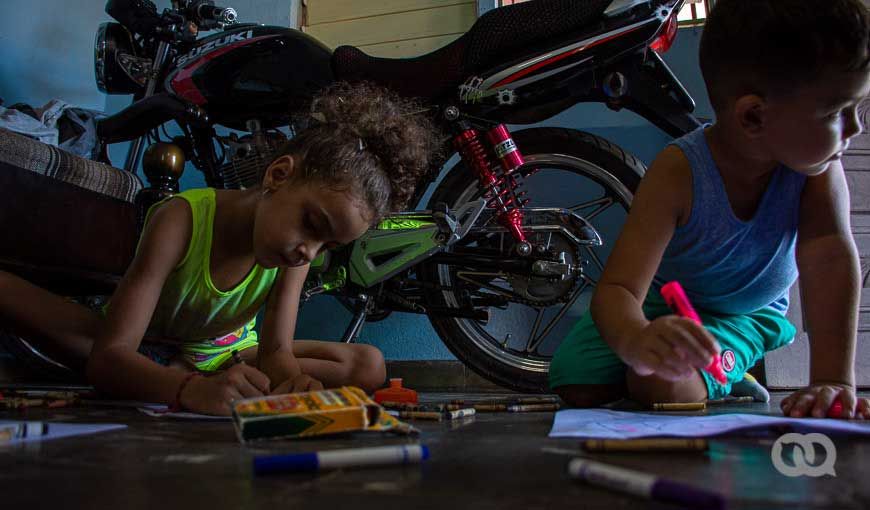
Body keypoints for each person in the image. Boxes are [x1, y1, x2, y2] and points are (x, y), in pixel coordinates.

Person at [0, 82, 442, 415]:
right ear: (278, 175)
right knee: (37, 312)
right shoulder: (180, 219)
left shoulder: (297, 252)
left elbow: (275, 353)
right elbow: (110, 357)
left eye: (329, 245)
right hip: (139, 342)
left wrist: (293, 383)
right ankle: (169, 375)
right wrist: (188, 391)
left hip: (227, 353)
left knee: (369, 364)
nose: (311, 252)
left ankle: (185, 375)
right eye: (313, 226)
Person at [549, 0, 870, 419]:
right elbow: (619, 291)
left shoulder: (817, 171)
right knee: (574, 380)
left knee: (658, 384)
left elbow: (829, 261)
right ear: (753, 116)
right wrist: (638, 340)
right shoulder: (678, 171)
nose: (856, 129)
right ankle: (717, 374)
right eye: (836, 113)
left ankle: (725, 369)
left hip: (745, 313)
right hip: (661, 309)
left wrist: (833, 379)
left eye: (856, 109)